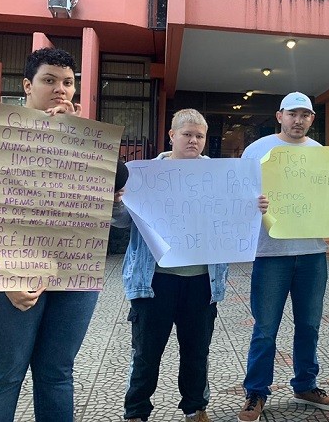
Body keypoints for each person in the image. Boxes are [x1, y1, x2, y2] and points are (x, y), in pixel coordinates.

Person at [0, 47, 127, 422]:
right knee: (3, 375)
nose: (60, 90)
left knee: (56, 374)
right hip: (13, 274)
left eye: (68, 82)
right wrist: (2, 277)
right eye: (49, 80)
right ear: (27, 85)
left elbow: (120, 178)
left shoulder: (82, 137)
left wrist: (77, 131)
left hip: (73, 271)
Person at [117, 109, 268, 422]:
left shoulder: (221, 176)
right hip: (154, 280)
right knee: (146, 353)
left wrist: (254, 208)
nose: (194, 141)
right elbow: (121, 222)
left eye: (200, 136)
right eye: (187, 134)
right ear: (172, 136)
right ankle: (136, 412)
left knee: (197, 352)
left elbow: (235, 218)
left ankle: (195, 408)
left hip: (202, 281)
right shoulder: (144, 175)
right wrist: (118, 201)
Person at [237, 92, 329, 422]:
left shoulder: (320, 153)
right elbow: (237, 193)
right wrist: (253, 205)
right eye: (293, 113)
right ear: (279, 116)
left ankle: (305, 384)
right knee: (265, 328)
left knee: (309, 325)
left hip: (312, 254)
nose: (299, 120)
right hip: (270, 254)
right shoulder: (258, 150)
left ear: (312, 119)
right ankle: (256, 392)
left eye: (305, 115)